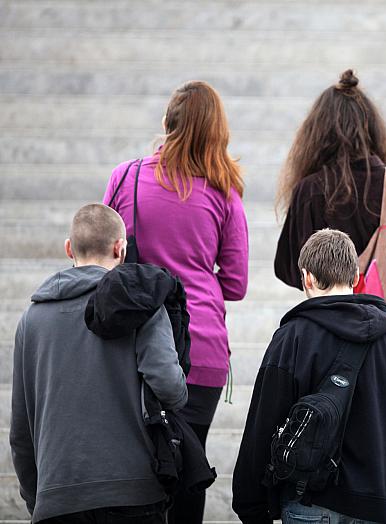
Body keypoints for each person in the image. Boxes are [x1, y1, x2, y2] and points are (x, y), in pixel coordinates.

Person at [104, 81, 249, 522]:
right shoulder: (224, 192)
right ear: (217, 133)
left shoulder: (125, 177)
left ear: (167, 124)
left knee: (137, 466)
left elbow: (105, 259)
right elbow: (237, 282)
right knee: (188, 464)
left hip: (130, 343)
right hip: (198, 350)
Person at [233, 229, 386, 524]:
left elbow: (263, 422)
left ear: (306, 277)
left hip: (311, 501)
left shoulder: (291, 338)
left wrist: (250, 504)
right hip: (385, 503)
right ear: (356, 277)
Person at [274, 69, 386, 403]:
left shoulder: (310, 192)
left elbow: (286, 267)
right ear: (373, 132)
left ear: (316, 135)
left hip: (324, 347)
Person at [10, 203, 188, 524]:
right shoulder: (142, 305)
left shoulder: (31, 320)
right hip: (135, 492)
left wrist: (39, 499)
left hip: (57, 496)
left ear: (69, 248)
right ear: (121, 248)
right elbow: (170, 389)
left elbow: (21, 430)